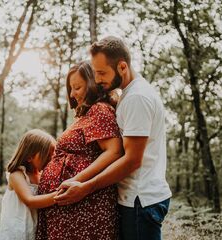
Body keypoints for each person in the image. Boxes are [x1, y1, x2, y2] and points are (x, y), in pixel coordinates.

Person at [55, 36, 172, 240]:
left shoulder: (137, 98)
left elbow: (132, 160)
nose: (97, 79)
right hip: (135, 198)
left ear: (122, 67)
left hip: (140, 199)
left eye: (101, 73)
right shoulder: (130, 94)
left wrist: (85, 187)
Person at [36, 61, 123, 240]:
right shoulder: (87, 114)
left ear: (92, 84)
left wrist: (75, 180)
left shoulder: (100, 110)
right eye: (70, 88)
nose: (72, 94)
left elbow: (113, 152)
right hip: (72, 209)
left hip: (85, 208)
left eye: (77, 87)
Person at [0, 129, 57, 240]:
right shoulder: (17, 175)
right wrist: (60, 195)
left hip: (34, 229)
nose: (51, 159)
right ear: (29, 157)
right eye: (47, 156)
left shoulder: (42, 175)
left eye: (52, 155)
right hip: (16, 230)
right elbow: (30, 201)